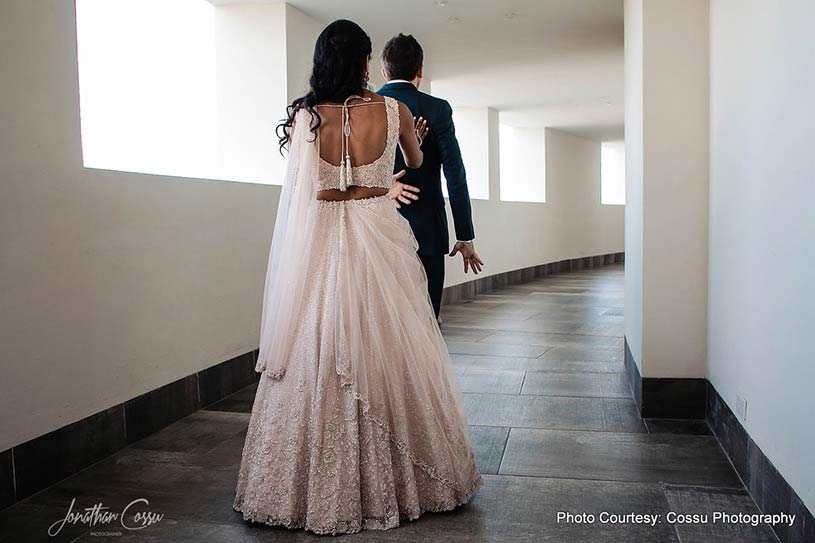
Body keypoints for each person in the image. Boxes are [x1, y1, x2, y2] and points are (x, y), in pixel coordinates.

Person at [233, 20, 481, 536]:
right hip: (377, 230)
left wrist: (345, 187)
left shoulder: (306, 116)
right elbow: (414, 160)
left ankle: (304, 484)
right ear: (366, 61)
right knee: (395, 338)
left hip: (322, 237)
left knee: (317, 338)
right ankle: (410, 467)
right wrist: (380, 183)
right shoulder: (394, 110)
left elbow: (309, 193)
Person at [378, 33, 484, 319]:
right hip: (428, 230)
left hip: (377, 230)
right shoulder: (438, 109)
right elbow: (455, 174)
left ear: (383, 70)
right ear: (420, 70)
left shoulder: (366, 106)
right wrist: (464, 234)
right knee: (426, 323)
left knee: (382, 324)